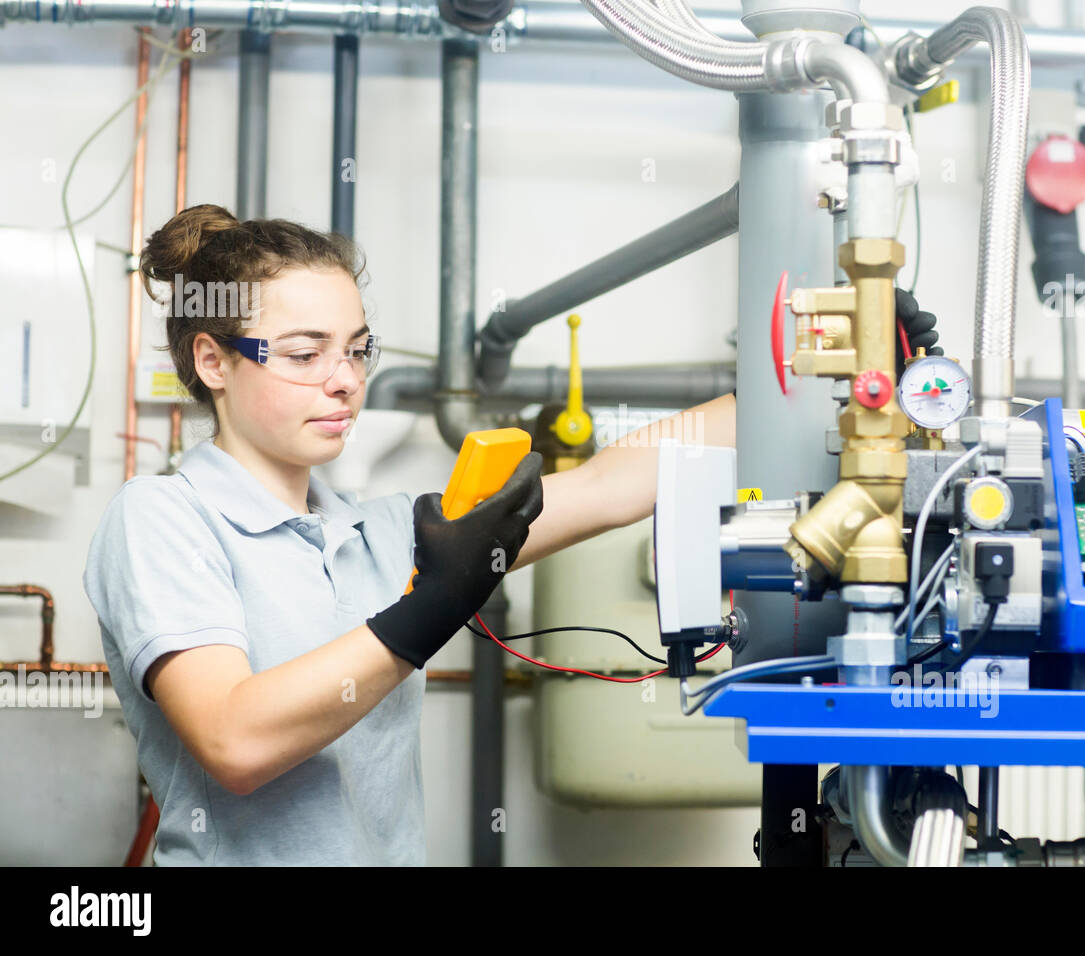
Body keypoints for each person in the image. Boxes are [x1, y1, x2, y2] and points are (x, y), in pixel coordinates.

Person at [81, 203, 933, 865]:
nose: (344, 382)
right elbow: (235, 741)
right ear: (213, 361)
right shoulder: (161, 520)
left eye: (358, 350)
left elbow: (608, 484)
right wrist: (430, 606)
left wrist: (847, 375)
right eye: (305, 354)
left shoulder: (381, 530)